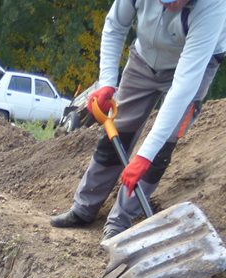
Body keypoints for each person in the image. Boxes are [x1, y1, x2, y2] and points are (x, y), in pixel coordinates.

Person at [51, 0, 226, 240]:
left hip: (196, 66)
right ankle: (84, 208)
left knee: (161, 148)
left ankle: (119, 224)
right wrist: (107, 82)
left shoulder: (213, 6)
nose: (171, 4)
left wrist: (145, 155)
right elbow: (114, 26)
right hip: (144, 57)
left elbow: (183, 86)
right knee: (118, 132)